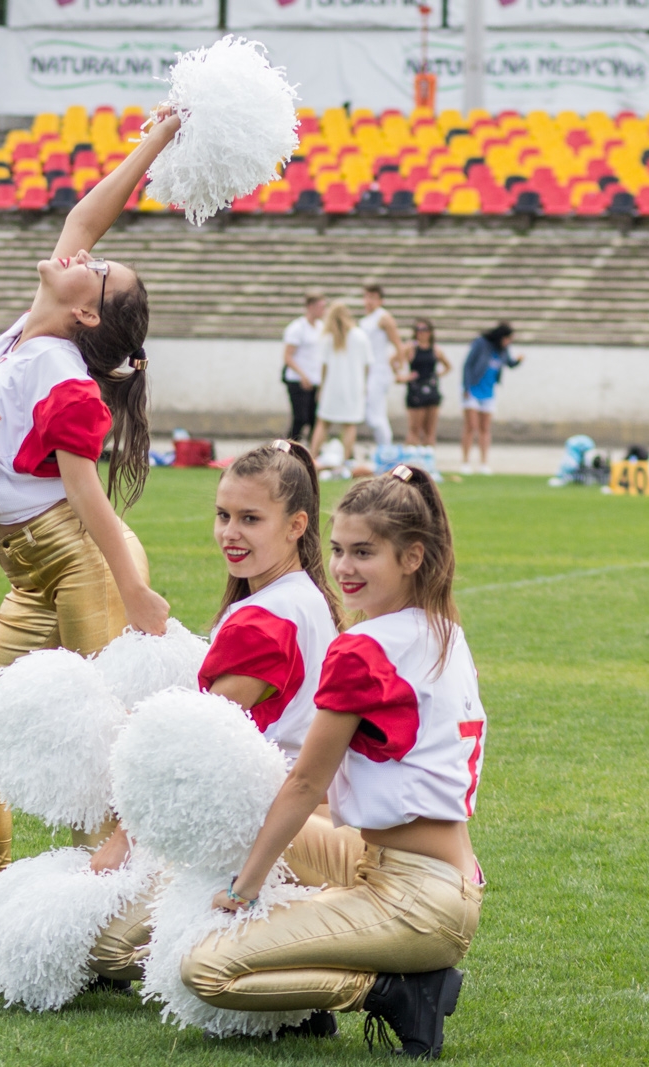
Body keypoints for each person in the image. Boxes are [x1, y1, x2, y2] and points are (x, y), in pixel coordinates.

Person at [0, 104, 181, 955]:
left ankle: (127, 914)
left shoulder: (65, 379)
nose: (82, 256)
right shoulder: (38, 323)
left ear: (89, 314)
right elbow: (88, 216)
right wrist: (159, 138)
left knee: (107, 746)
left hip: (79, 561)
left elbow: (89, 499)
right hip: (32, 569)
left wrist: (135, 590)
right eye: (91, 259)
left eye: (97, 272)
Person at [184, 465, 485, 1057]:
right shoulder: (444, 629)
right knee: (245, 823)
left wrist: (244, 890)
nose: (344, 567)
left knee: (205, 969)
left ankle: (393, 992)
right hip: (433, 873)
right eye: (339, 549)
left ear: (413, 557)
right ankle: (323, 959)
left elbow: (305, 783)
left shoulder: (364, 649)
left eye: (364, 553)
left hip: (415, 899)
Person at [84, 442, 357, 997]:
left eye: (250, 519)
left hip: (267, 826)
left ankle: (288, 950)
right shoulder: (304, 594)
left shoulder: (266, 619)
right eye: (223, 515)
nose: (230, 532)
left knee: (103, 944)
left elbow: (191, 741)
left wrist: (124, 839)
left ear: (296, 525)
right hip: (301, 818)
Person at [460, 322, 522, 474]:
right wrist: (466, 387)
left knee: (485, 427)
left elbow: (509, 363)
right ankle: (465, 462)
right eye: (508, 339)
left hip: (488, 391)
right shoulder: (481, 343)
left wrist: (518, 361)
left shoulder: (503, 349)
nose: (509, 342)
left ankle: (483, 463)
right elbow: (468, 365)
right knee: (471, 426)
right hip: (473, 388)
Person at [310, 301, 368, 461]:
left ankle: (313, 457)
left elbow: (323, 367)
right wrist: (364, 384)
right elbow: (367, 364)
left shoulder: (328, 337)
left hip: (332, 387)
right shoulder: (360, 336)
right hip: (353, 387)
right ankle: (345, 460)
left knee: (323, 423)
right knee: (349, 425)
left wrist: (321, 388)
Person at [359, 283, 402, 450]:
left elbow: (398, 345)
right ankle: (383, 447)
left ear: (380, 300)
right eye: (367, 297)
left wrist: (397, 369)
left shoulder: (383, 317)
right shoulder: (365, 320)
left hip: (379, 370)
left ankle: (386, 448)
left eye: (373, 298)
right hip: (367, 371)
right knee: (371, 413)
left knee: (375, 415)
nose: (369, 301)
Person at [395, 318, 451, 446]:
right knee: (414, 429)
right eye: (418, 330)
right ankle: (411, 454)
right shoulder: (410, 348)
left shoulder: (435, 350)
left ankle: (428, 454)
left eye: (424, 329)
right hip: (416, 390)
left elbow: (448, 366)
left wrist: (438, 375)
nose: (421, 333)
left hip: (431, 389)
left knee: (430, 431)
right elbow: (393, 361)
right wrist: (404, 376)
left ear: (430, 332)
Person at [282, 289, 327, 444]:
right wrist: (302, 375)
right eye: (321, 307)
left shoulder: (321, 327)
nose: (323, 310)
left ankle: (312, 449)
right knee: (300, 418)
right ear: (310, 307)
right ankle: (288, 447)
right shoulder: (297, 328)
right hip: (298, 380)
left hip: (314, 380)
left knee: (314, 418)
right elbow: (288, 356)